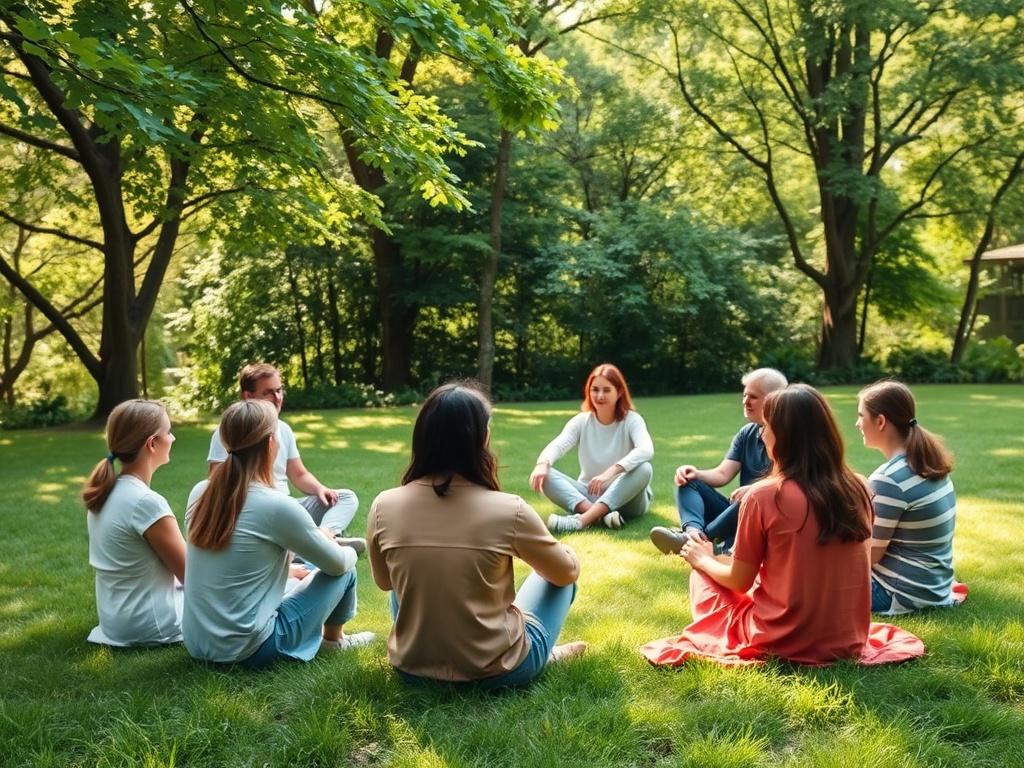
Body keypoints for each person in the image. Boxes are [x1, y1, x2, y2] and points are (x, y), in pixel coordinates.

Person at [642, 384, 923, 666]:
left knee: (702, 576)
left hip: (779, 640)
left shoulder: (764, 496)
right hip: (847, 640)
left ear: (785, 436)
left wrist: (702, 559)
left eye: (766, 426)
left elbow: (739, 582)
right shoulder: (860, 486)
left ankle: (704, 560)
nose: (761, 435)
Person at [368, 382, 586, 689]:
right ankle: (545, 654)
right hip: (500, 672)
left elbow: (385, 582)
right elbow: (564, 574)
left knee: (408, 575)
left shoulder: (383, 505)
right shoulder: (509, 509)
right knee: (560, 572)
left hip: (413, 670)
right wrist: (568, 554)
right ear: (482, 438)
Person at [183, 399, 372, 668]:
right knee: (346, 569)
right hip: (249, 649)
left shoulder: (200, 492)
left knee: (309, 564)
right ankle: (334, 642)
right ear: (271, 443)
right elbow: (338, 564)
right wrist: (346, 549)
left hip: (197, 644)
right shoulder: (274, 505)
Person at [208, 363, 359, 536]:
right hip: (254, 512)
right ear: (248, 396)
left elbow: (299, 474)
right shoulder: (229, 432)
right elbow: (216, 482)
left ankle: (325, 535)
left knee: (346, 498)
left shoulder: (284, 429)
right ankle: (318, 546)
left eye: (279, 390)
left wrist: (320, 489)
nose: (277, 397)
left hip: (287, 507)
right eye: (268, 393)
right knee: (345, 563)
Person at [82, 399, 186, 647]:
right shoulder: (146, 502)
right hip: (149, 625)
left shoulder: (106, 492)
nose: (173, 438)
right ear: (152, 443)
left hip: (117, 622)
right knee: (276, 591)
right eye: (168, 432)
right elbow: (192, 576)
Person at [651, 367, 787, 554]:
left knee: (751, 497)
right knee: (689, 482)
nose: (745, 401)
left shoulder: (789, 436)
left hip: (760, 515)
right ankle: (692, 533)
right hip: (736, 512)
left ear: (775, 399)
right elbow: (723, 474)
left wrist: (754, 490)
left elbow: (788, 485)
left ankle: (697, 541)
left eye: (753, 397)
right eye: (744, 395)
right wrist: (695, 473)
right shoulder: (747, 433)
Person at [857, 380, 959, 615]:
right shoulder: (928, 461)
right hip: (933, 587)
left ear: (880, 421)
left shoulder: (889, 479)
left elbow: (871, 555)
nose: (857, 423)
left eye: (861, 416)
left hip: (898, 594)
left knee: (812, 580)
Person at [530, 363, 654, 532]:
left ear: (618, 392)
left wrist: (610, 473)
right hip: (590, 495)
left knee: (645, 469)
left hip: (628, 499)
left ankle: (581, 521)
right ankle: (602, 516)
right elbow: (559, 444)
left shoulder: (632, 420)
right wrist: (542, 464)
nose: (600, 395)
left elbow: (646, 449)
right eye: (595, 390)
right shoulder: (581, 421)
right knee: (546, 475)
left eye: (606, 390)